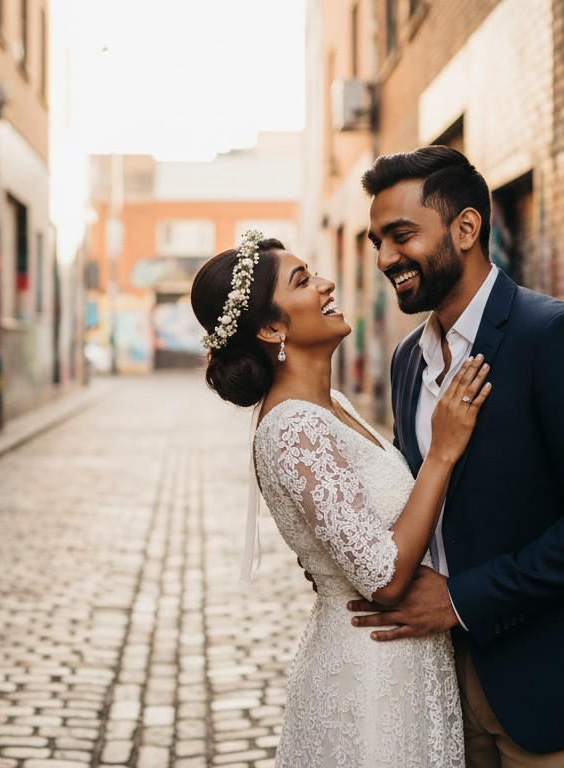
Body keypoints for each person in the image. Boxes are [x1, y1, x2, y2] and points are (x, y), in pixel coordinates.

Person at [348, 145, 564, 766]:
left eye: (401, 236)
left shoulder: (557, 337)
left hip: (556, 684)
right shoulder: (407, 360)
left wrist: (460, 599)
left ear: (466, 228)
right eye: (376, 242)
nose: (384, 259)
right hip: (441, 687)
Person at [191, 230, 490, 767]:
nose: (327, 284)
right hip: (371, 675)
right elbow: (384, 579)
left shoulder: (330, 404)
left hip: (408, 661)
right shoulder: (293, 429)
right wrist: (442, 452)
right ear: (271, 328)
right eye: (303, 281)